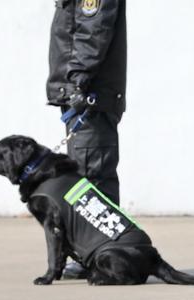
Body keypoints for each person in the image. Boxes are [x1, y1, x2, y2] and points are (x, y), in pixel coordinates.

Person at [46, 0, 127, 279]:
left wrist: (77, 81)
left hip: (88, 95)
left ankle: (103, 256)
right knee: (88, 177)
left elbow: (94, 29)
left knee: (93, 179)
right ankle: (94, 254)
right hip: (82, 95)